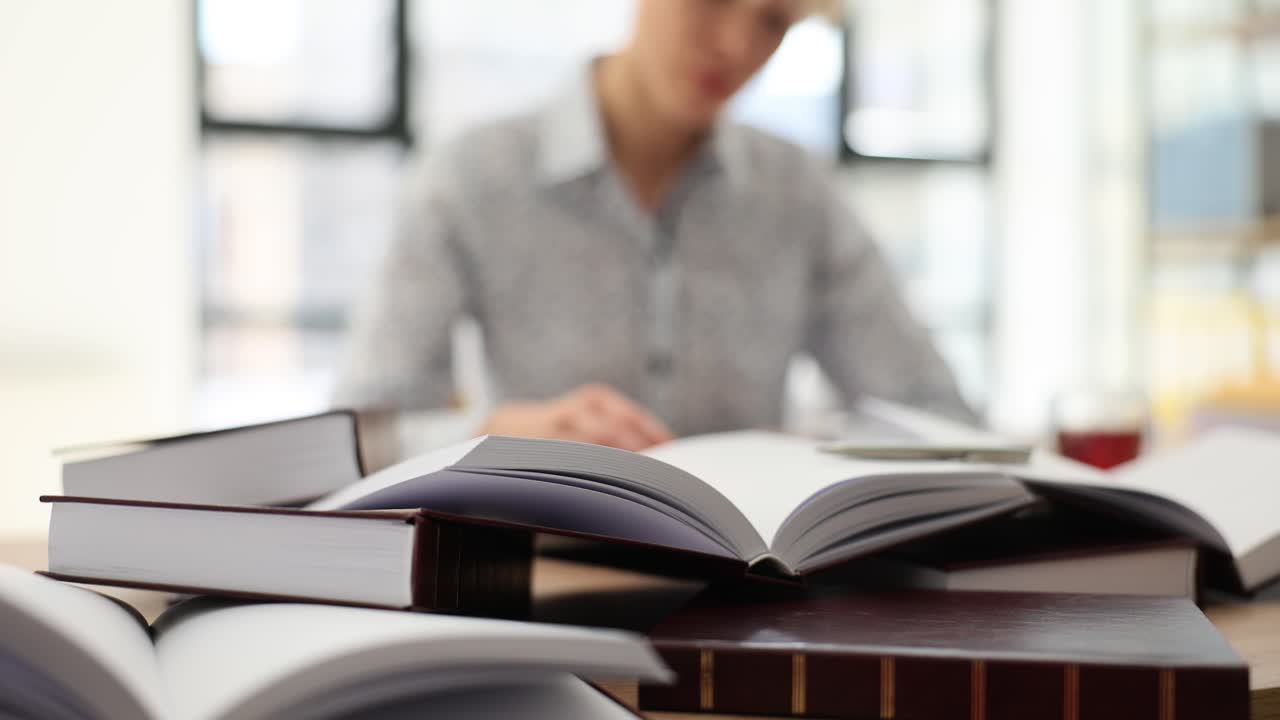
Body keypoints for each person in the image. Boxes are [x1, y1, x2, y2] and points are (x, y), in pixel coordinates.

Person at [334, 0, 975, 453]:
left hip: (751, 602)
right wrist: (490, 435)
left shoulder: (798, 193)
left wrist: (812, 453)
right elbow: (359, 434)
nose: (735, 45)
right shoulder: (471, 176)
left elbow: (939, 417)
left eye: (774, 21)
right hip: (537, 584)